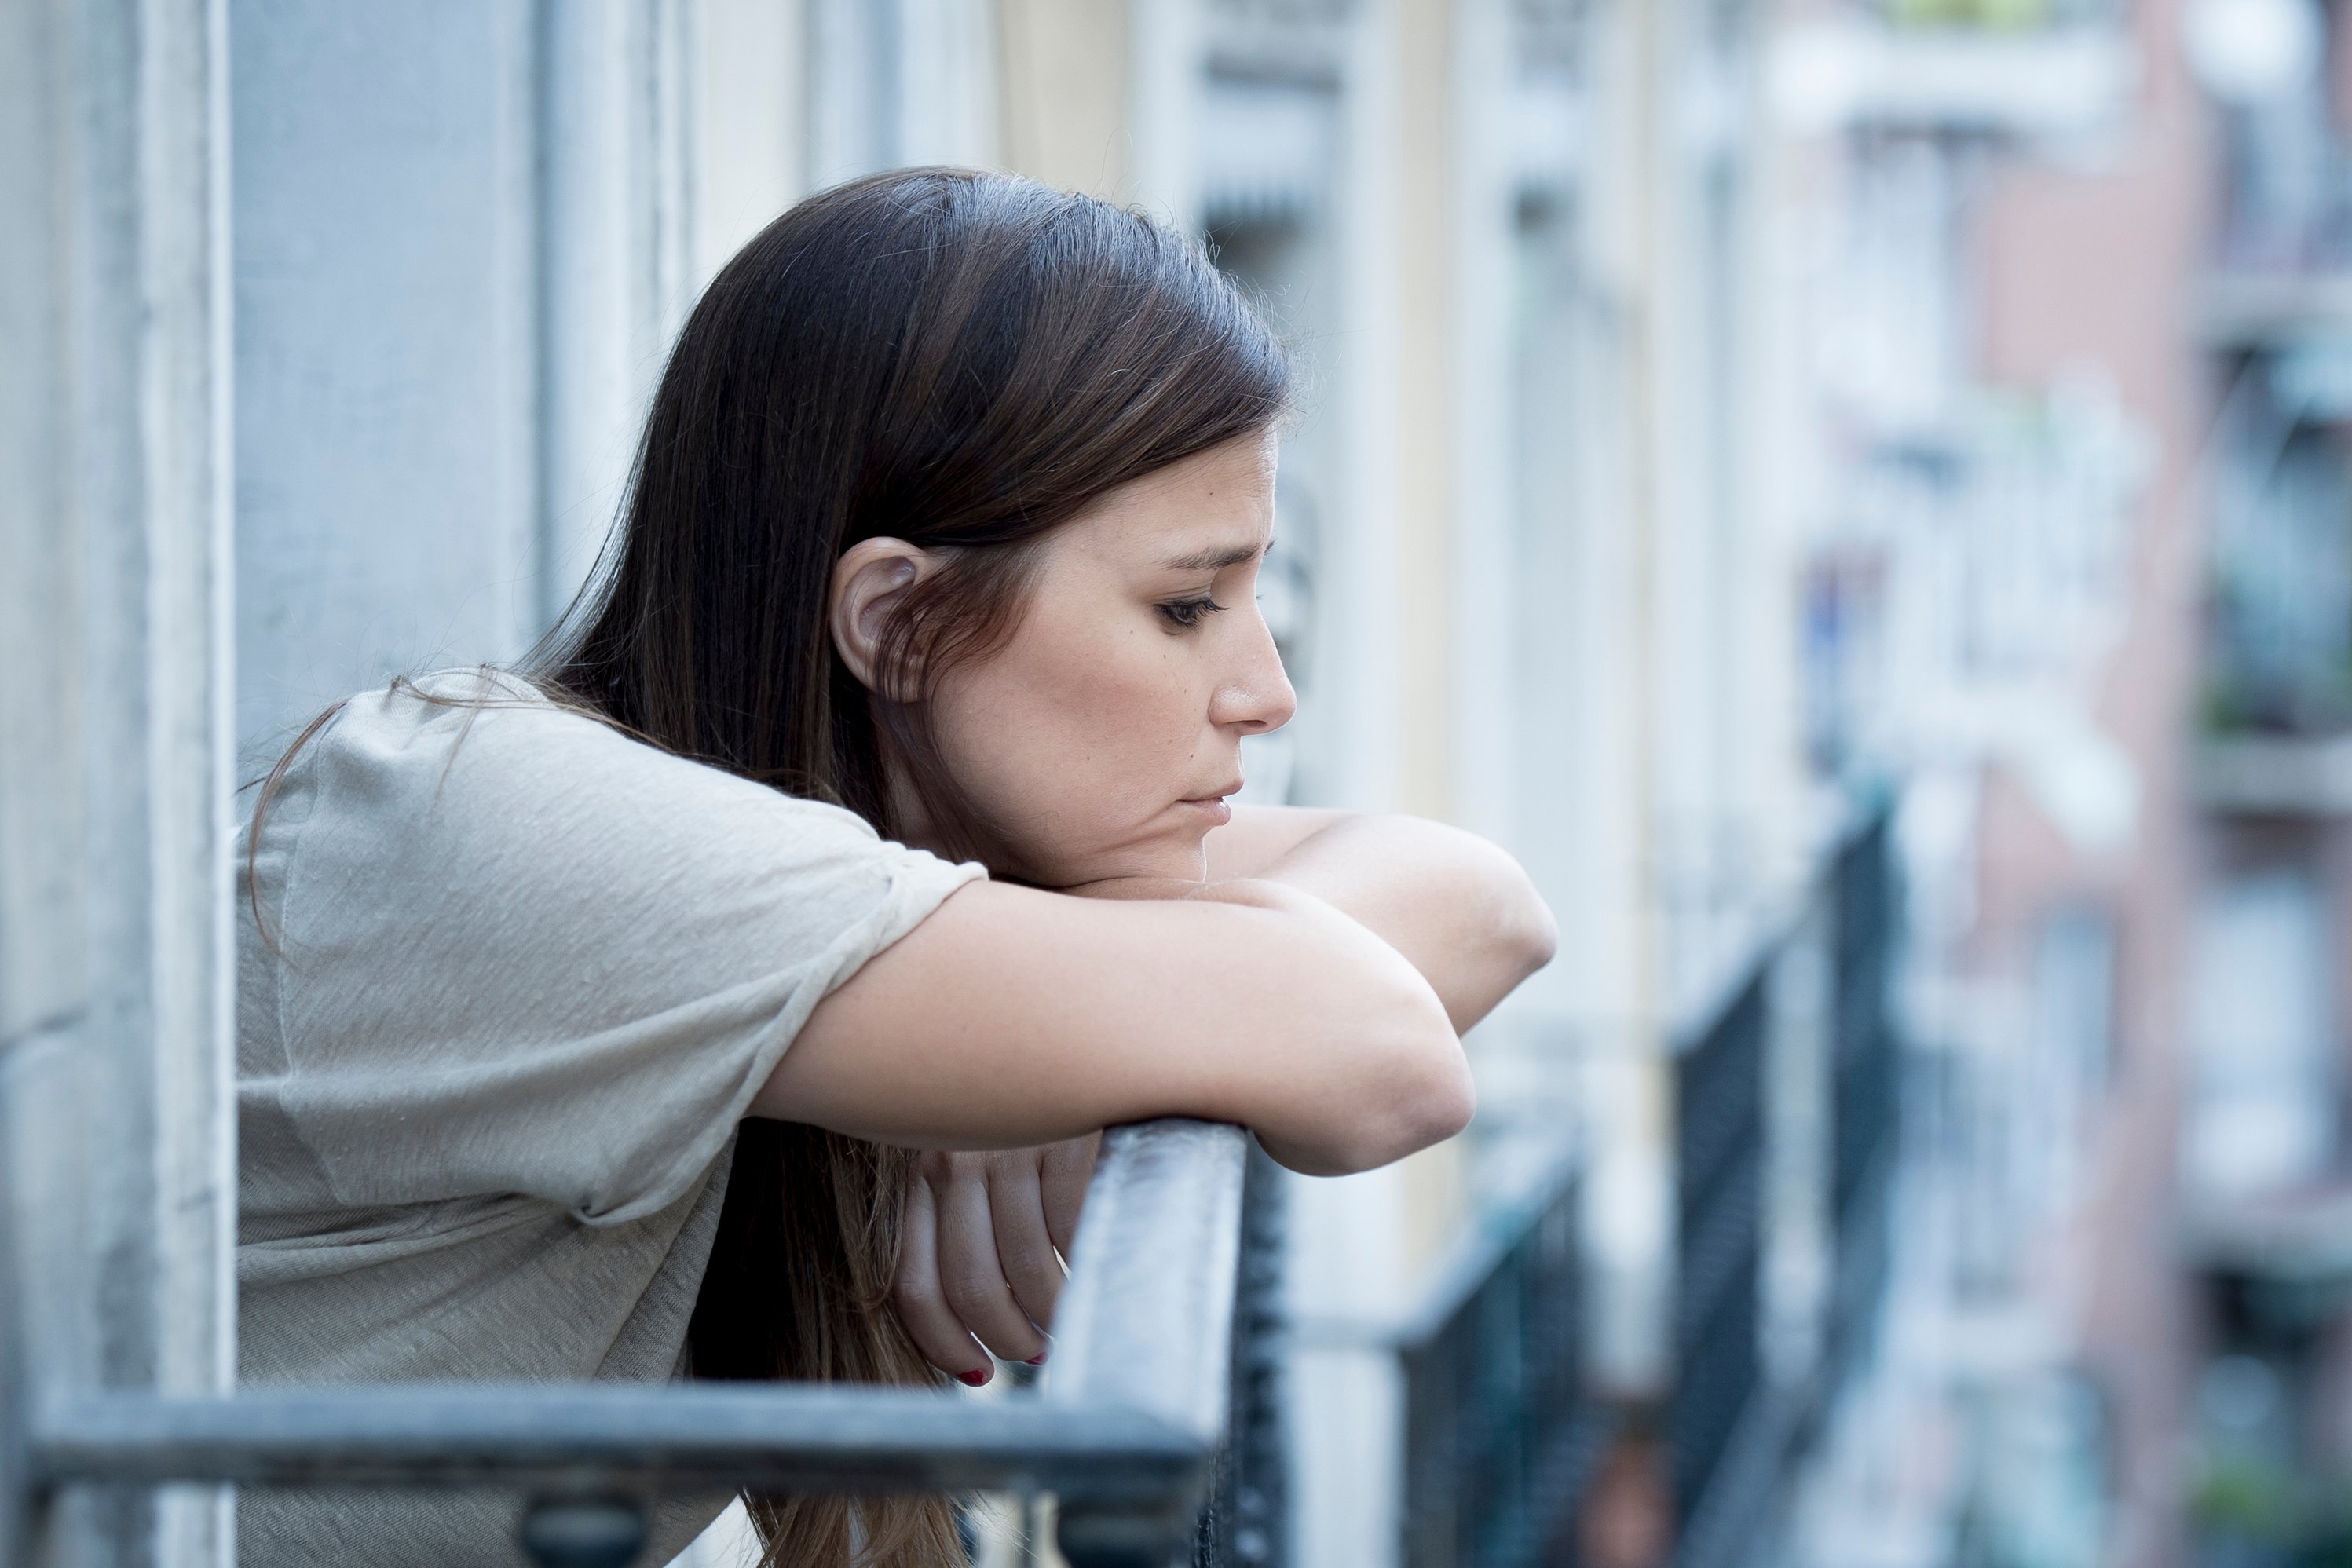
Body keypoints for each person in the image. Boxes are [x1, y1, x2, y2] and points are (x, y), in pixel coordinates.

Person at [235, 167, 1556, 1567]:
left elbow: (1485, 905)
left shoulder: (913, 856)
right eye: (1185, 605)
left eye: (1253, 599)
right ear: (899, 619)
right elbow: (1382, 1050)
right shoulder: (500, 815)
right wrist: (1149, 999)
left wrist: (1086, 991)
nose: (1265, 691)